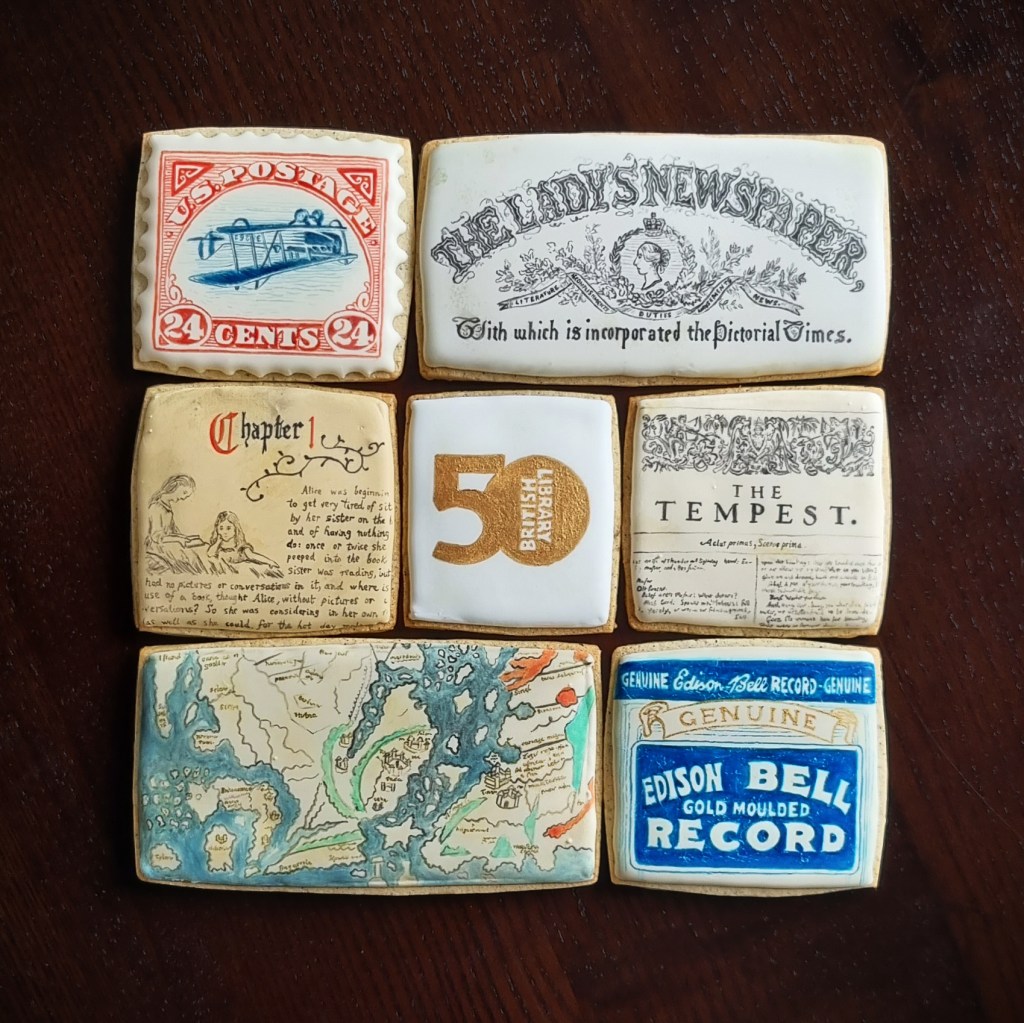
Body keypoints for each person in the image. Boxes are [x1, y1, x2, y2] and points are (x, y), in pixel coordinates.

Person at [145, 475, 204, 572]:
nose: (183, 497)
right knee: (190, 558)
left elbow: (172, 530)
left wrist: (185, 538)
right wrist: (178, 539)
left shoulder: (167, 507)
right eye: (184, 492)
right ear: (174, 486)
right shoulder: (156, 507)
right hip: (158, 547)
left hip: (168, 544)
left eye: (186, 496)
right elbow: (156, 536)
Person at [206, 511, 280, 571]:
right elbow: (209, 554)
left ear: (235, 529)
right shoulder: (217, 547)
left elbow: (253, 556)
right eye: (221, 528)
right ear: (217, 530)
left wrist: (270, 562)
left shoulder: (241, 547)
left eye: (228, 528)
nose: (224, 532)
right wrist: (218, 542)